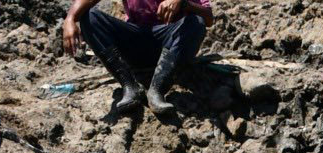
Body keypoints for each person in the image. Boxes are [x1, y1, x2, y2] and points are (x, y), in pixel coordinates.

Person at [62, 0, 213, 119]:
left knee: (196, 22)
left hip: (172, 46)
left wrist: (184, 3)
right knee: (89, 17)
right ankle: (130, 86)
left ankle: (157, 90)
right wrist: (70, 19)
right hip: (136, 44)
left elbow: (208, 18)